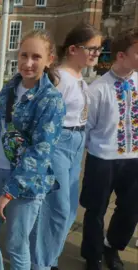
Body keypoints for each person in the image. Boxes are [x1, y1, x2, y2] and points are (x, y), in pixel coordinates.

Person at [0, 29, 65, 270]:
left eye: (36, 57)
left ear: (49, 60)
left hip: (26, 185)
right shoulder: (8, 89)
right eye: (24, 55)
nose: (28, 63)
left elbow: (41, 152)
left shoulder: (51, 99)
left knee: (16, 246)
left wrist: (9, 192)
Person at [30, 23, 102, 270]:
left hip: (76, 143)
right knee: (55, 209)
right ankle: (40, 262)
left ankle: (50, 258)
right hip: (59, 143)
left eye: (99, 49)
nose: (96, 54)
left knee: (70, 210)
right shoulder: (59, 78)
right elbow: (42, 115)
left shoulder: (79, 78)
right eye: (91, 49)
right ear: (73, 49)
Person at [80, 27, 138, 270]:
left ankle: (112, 247)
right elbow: (86, 128)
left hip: (134, 158)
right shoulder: (97, 89)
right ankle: (92, 256)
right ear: (121, 55)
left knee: (130, 208)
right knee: (95, 209)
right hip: (102, 158)